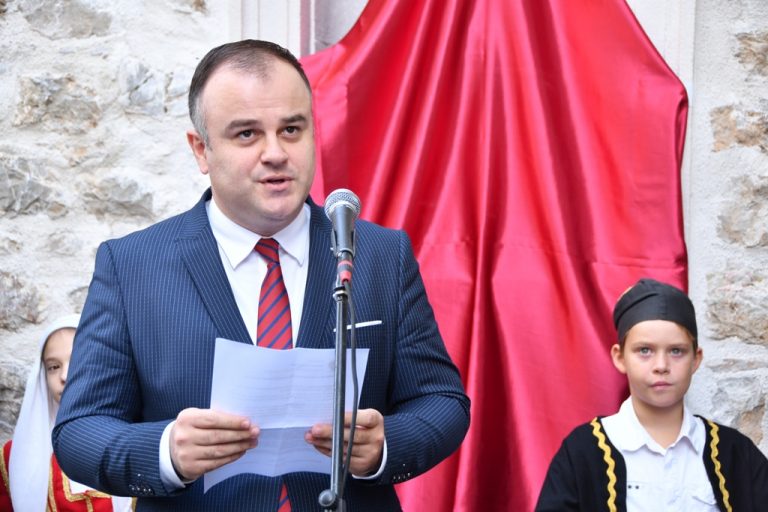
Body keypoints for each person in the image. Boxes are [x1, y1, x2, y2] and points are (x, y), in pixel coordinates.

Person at [51, 39, 470, 511]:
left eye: (291, 129)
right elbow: (79, 432)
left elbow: (442, 402)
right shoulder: (132, 266)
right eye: (247, 134)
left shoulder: (379, 255)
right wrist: (167, 451)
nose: (276, 153)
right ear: (201, 150)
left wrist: (385, 445)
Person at [535, 278, 768, 511]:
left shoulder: (735, 453)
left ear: (695, 359)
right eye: (645, 350)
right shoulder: (583, 451)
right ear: (620, 357)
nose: (661, 366)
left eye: (676, 351)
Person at [0, 315, 133, 511]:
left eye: (77, 360)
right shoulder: (14, 457)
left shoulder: (137, 441)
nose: (64, 376)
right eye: (53, 367)